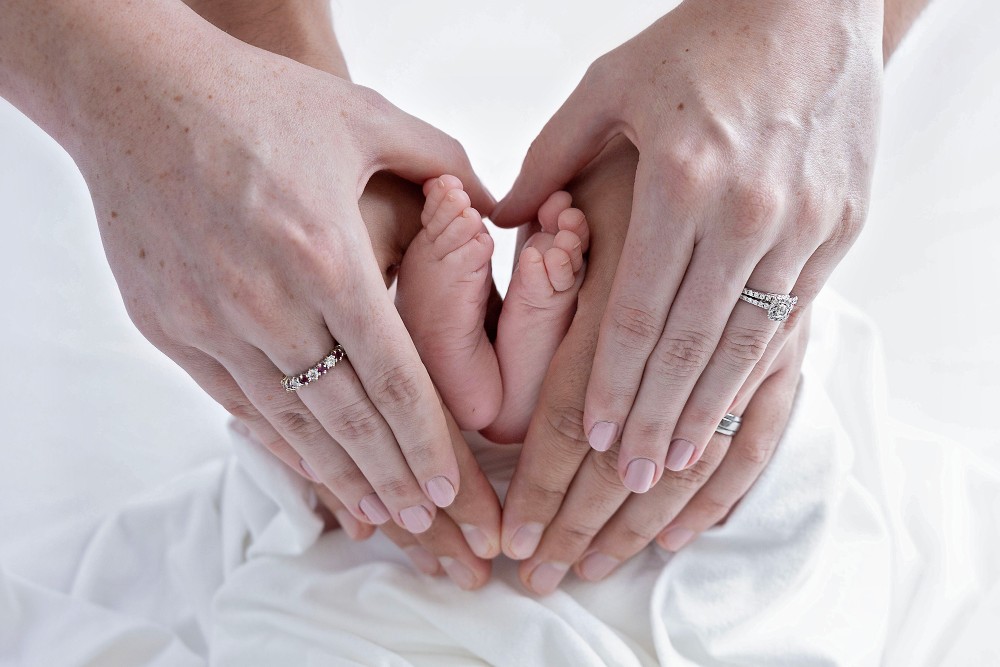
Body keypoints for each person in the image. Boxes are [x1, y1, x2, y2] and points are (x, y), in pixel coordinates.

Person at [0, 0, 929, 595]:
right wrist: (132, 85)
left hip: (398, 538)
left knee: (321, 460)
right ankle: (501, 351)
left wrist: (823, 27)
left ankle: (463, 351)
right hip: (650, 512)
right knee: (750, 467)